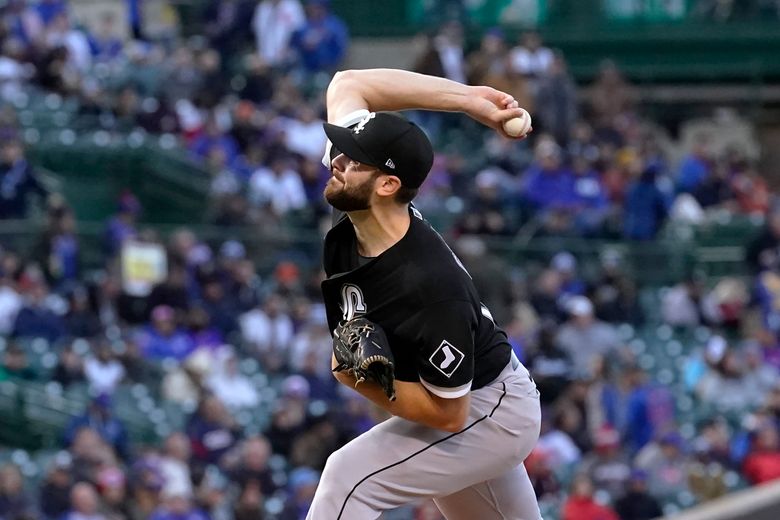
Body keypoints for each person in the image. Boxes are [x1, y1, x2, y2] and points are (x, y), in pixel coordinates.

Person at [308, 68, 542, 519]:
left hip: (486, 410)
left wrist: (362, 380)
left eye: (352, 159)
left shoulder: (429, 286)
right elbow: (347, 84)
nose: (337, 162)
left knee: (348, 480)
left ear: (388, 185)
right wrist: (468, 99)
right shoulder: (365, 209)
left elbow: (449, 414)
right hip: (478, 401)